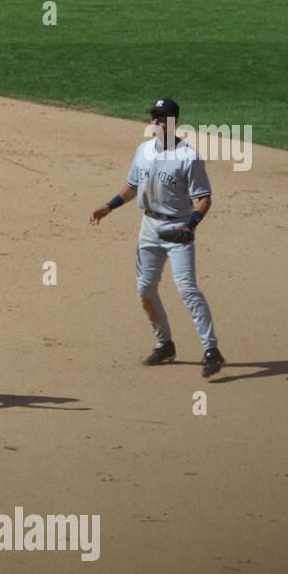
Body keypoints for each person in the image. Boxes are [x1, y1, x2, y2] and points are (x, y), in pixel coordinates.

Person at [88, 98, 225, 378]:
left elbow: (204, 199)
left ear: (173, 122)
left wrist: (192, 224)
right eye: (153, 118)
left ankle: (212, 350)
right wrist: (109, 206)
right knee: (145, 289)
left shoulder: (189, 157)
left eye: (161, 118)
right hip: (149, 227)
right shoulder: (143, 151)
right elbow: (132, 186)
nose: (155, 123)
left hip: (177, 229)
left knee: (187, 288)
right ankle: (165, 344)